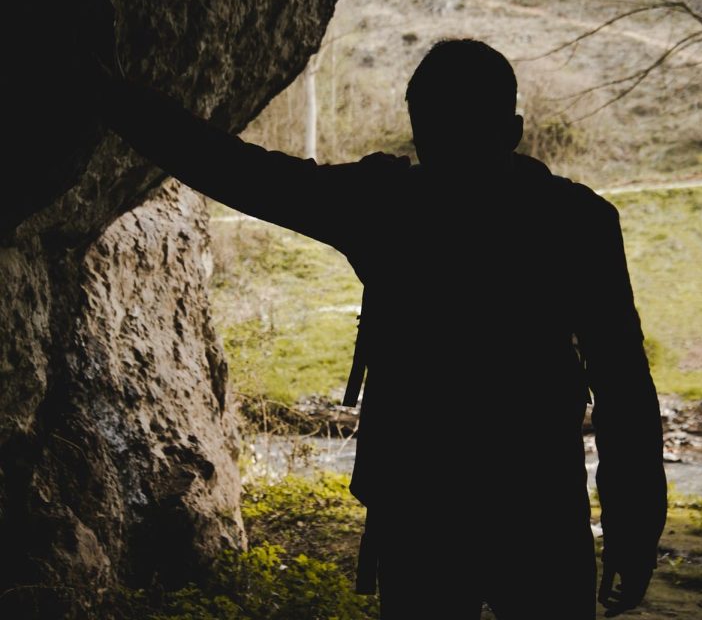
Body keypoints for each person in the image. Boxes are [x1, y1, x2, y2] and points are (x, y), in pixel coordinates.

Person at [101, 39, 667, 619]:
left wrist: (112, 93)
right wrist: (634, 527)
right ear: (515, 128)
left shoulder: (386, 205)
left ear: (417, 130)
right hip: (538, 502)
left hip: (419, 508)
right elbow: (622, 384)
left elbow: (236, 170)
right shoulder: (579, 221)